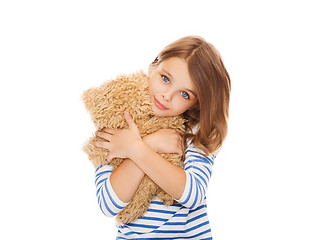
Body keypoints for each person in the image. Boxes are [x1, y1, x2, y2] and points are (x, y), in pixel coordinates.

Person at [91, 35, 231, 239]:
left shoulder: (196, 132)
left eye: (185, 94)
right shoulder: (115, 121)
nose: (167, 95)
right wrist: (147, 144)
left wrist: (136, 149)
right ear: (152, 67)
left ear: (196, 104)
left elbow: (193, 194)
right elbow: (108, 204)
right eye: (165, 79)